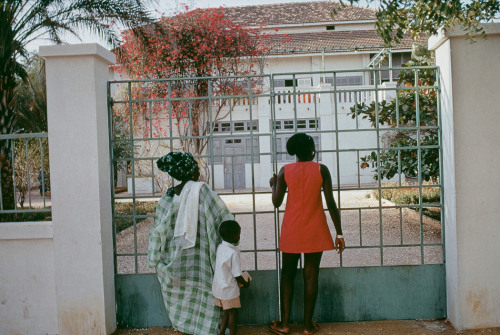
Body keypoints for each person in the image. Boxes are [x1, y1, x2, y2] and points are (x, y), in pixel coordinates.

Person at [148, 151, 234, 335]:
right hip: (201, 260)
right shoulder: (203, 191)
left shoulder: (167, 198)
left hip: (176, 262)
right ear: (194, 173)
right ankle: (206, 327)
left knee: (183, 291)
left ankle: (185, 324)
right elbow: (223, 217)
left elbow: (156, 232)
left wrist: (154, 258)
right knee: (204, 288)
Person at [269, 133, 345, 335]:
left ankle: (284, 325)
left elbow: (276, 202)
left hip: (291, 230)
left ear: (294, 152)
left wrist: (274, 184)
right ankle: (307, 326)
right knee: (311, 276)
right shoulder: (322, 170)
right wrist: (339, 233)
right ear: (312, 150)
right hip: (315, 229)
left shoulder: (285, 171)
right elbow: (330, 203)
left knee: (288, 275)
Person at [212, 220, 251, 335]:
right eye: (239, 233)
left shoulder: (220, 247)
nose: (239, 236)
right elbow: (237, 275)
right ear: (234, 236)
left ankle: (221, 332)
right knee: (233, 313)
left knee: (226, 311)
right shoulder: (233, 253)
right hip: (229, 290)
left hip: (219, 288)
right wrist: (246, 283)